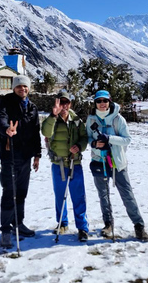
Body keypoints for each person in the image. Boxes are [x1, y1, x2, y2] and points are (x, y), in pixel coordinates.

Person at [86, 90, 148, 242]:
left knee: (127, 195)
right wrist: (95, 144)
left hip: (117, 162)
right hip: (99, 161)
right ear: (95, 103)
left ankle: (139, 226)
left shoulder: (118, 119)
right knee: (103, 195)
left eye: (105, 101)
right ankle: (108, 224)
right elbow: (88, 137)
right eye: (99, 101)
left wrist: (109, 139)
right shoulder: (91, 119)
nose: (102, 103)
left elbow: (127, 140)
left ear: (110, 102)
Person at [0, 75, 42, 248]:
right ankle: (5, 229)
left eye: (25, 87)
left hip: (26, 156)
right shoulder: (5, 103)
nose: (23, 89)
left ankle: (18, 224)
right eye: (19, 86)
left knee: (21, 192)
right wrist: (7, 129)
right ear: (14, 88)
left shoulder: (32, 108)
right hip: (10, 154)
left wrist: (37, 155)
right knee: (9, 192)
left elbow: (36, 133)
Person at [41, 91, 89, 242]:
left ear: (70, 104)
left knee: (78, 196)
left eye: (66, 102)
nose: (64, 106)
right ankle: (62, 223)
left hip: (75, 163)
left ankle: (82, 227)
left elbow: (84, 137)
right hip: (59, 164)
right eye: (61, 102)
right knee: (60, 195)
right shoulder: (52, 119)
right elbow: (45, 132)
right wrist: (53, 115)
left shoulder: (76, 120)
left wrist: (79, 146)